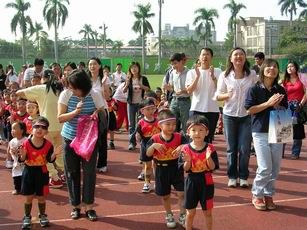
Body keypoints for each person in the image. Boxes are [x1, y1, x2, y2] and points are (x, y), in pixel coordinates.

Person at [58, 69, 105, 221]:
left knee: (89, 173)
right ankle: (75, 206)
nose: (72, 89)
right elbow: (60, 118)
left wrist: (98, 114)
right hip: (70, 139)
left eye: (74, 87)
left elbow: (103, 112)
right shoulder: (66, 94)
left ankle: (89, 206)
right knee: (71, 173)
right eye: (70, 86)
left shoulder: (95, 94)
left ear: (83, 86)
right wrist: (75, 112)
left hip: (89, 140)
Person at [245, 58, 288, 211]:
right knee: (264, 166)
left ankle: (268, 194)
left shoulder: (281, 90)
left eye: (275, 66)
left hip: (278, 129)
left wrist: (277, 107)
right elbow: (249, 110)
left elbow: (285, 111)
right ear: (263, 69)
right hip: (260, 131)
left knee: (275, 167)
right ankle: (257, 194)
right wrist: (269, 103)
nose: (272, 68)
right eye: (269, 66)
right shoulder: (254, 89)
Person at [215, 47, 258, 188]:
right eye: (236, 55)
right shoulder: (225, 75)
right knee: (231, 148)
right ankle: (232, 176)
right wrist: (227, 95)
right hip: (229, 115)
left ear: (245, 58)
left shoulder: (251, 74)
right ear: (231, 58)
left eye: (241, 54)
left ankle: (244, 176)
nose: (238, 57)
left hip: (246, 116)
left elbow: (259, 90)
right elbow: (217, 96)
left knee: (245, 148)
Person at [17, 69, 65, 189]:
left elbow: (19, 93)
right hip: (61, 125)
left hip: (46, 126)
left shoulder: (41, 88)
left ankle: (55, 178)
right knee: (59, 152)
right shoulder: (60, 89)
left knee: (45, 152)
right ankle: (65, 174)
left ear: (43, 78)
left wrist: (33, 97)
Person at [146, 109, 186, 229]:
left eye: (174, 124)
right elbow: (147, 154)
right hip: (161, 170)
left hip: (176, 169)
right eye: (168, 124)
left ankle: (183, 214)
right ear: (160, 125)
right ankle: (169, 214)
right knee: (165, 195)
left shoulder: (179, 137)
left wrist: (182, 146)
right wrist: (153, 146)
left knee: (181, 194)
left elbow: (189, 145)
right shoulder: (155, 138)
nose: (171, 127)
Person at [19, 117, 61, 229]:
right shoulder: (26, 143)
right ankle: (27, 217)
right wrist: (22, 154)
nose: (40, 129)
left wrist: (55, 154)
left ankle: (42, 215)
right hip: (29, 172)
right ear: (31, 128)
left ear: (46, 131)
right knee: (29, 198)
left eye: (43, 127)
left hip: (41, 172)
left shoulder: (48, 145)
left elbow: (49, 160)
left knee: (41, 197)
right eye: (37, 126)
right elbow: (22, 159)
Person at [179, 115, 219, 230]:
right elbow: (185, 169)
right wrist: (188, 161)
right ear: (188, 132)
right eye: (194, 130)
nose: (197, 133)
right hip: (191, 181)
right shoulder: (185, 149)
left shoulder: (210, 148)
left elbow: (212, 167)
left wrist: (208, 158)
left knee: (207, 212)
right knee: (190, 213)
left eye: (201, 130)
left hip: (206, 182)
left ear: (207, 132)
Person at [186, 48, 222, 143]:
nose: (205, 57)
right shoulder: (192, 72)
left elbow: (221, 90)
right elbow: (189, 91)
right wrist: (197, 77)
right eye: (203, 54)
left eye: (207, 54)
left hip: (212, 110)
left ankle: (206, 157)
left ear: (211, 57)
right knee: (194, 138)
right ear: (199, 57)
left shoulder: (218, 71)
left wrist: (213, 76)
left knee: (208, 139)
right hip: (196, 109)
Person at [87, 57, 108, 173]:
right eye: (90, 64)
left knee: (101, 139)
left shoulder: (103, 79)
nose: (92, 66)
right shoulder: (85, 80)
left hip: (101, 111)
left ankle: (102, 164)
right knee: (89, 138)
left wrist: (105, 86)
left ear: (99, 66)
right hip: (88, 112)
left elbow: (108, 97)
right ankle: (89, 162)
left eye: (95, 64)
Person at [282, 61, 306, 159]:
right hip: (286, 108)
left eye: (292, 66)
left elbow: (306, 92)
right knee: (283, 130)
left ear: (296, 68)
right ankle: (280, 153)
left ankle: (295, 153)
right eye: (288, 67)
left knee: (297, 131)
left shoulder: (302, 79)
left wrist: (301, 104)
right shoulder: (283, 81)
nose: (290, 68)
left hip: (298, 108)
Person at [123, 61, 150, 150]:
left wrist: (141, 86)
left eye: (136, 67)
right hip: (131, 104)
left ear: (138, 68)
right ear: (130, 70)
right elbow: (123, 91)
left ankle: (143, 142)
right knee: (131, 124)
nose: (134, 69)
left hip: (141, 105)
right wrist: (126, 85)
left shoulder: (143, 78)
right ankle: (132, 143)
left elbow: (148, 89)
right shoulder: (128, 79)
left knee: (142, 123)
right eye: (132, 67)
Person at [136, 98, 160, 193]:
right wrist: (137, 137)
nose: (151, 111)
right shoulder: (141, 122)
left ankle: (157, 182)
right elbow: (138, 134)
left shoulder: (158, 121)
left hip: (157, 144)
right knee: (147, 165)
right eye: (148, 109)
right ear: (142, 111)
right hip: (146, 144)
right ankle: (147, 183)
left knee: (157, 164)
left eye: (152, 108)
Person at [167, 53, 191, 133]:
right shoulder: (172, 73)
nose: (173, 66)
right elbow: (171, 87)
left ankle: (185, 143)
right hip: (174, 100)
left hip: (185, 101)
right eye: (172, 64)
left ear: (181, 62)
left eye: (175, 63)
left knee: (185, 124)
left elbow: (191, 89)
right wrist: (168, 88)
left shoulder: (189, 73)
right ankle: (173, 143)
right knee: (172, 123)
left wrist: (182, 91)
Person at [8, 121, 27, 195]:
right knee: (16, 178)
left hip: (25, 163)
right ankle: (17, 189)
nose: (12, 130)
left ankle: (26, 189)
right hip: (16, 163)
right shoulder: (12, 141)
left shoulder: (26, 140)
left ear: (22, 130)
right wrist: (12, 153)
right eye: (11, 129)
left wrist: (19, 151)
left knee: (25, 177)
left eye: (14, 128)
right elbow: (11, 151)